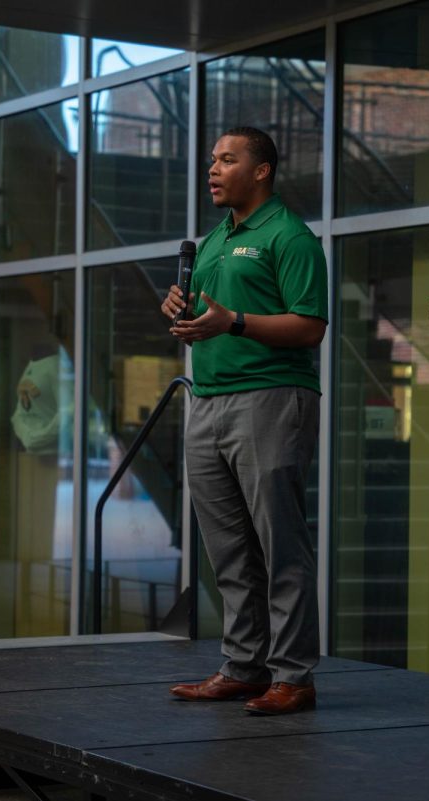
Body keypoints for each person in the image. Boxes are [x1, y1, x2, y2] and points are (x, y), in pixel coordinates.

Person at [160, 127, 328, 715]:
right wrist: (182, 308)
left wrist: (232, 322)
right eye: (212, 159)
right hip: (206, 400)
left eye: (227, 160)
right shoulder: (213, 241)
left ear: (261, 171)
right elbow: (214, 311)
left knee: (279, 544)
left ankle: (294, 676)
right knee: (228, 549)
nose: (213, 168)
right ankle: (245, 666)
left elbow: (309, 327)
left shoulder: (290, 237)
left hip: (270, 399)